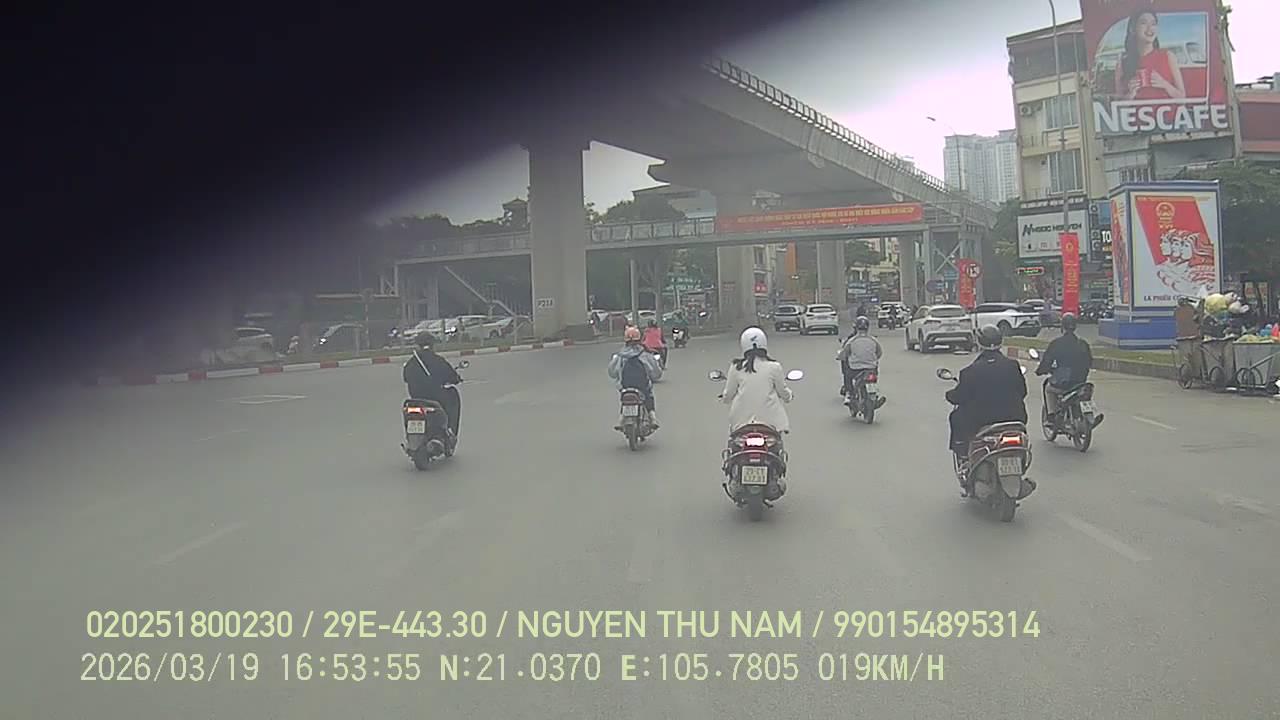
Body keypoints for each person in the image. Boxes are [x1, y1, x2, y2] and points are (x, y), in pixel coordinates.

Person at [946, 325, 1027, 483]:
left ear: (979, 342)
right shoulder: (1012, 366)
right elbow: (1022, 391)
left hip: (981, 422)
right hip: (1014, 419)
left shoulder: (969, 371)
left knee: (955, 417)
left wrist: (950, 395)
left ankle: (963, 456)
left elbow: (959, 397)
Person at [720, 327, 794, 438]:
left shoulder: (736, 367)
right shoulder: (774, 367)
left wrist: (725, 398)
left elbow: (729, 394)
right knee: (775, 444)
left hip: (741, 422)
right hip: (770, 422)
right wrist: (789, 396)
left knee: (735, 443)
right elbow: (782, 391)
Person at [1034, 313, 1098, 422]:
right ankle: (1089, 417)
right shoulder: (1083, 344)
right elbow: (1089, 362)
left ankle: (1052, 415)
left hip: (1064, 384)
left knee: (1048, 389)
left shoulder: (1056, 344)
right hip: (1080, 382)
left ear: (1062, 327)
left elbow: (1046, 362)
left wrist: (1040, 371)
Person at [402, 333, 463, 441]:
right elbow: (452, 376)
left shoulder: (411, 363)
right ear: (432, 345)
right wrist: (456, 379)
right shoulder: (438, 360)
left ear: (418, 345)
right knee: (452, 395)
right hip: (436, 399)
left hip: (416, 400)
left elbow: (406, 378)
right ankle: (450, 430)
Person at [1115, 8, 1186, 101]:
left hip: (1165, 110)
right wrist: (1130, 94)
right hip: (1139, 110)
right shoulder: (1122, 62)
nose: (1150, 28)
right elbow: (1118, 103)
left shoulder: (1168, 56)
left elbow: (1182, 98)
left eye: (1153, 24)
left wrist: (1164, 84)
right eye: (1143, 23)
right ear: (1132, 29)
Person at [608, 325, 663, 429]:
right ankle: (652, 417)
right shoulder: (644, 354)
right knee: (649, 396)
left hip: (625, 386)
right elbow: (655, 372)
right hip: (642, 385)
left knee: (625, 398)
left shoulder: (620, 355)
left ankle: (621, 419)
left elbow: (612, 372)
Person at [838, 316, 886, 408]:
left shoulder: (851, 341)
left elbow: (844, 354)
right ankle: (874, 395)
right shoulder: (873, 340)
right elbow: (879, 353)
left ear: (856, 327)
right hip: (871, 369)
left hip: (855, 369)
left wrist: (840, 357)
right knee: (874, 375)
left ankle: (850, 394)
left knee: (847, 375)